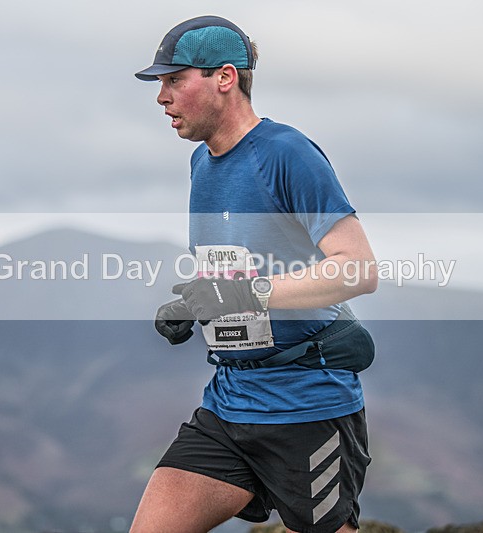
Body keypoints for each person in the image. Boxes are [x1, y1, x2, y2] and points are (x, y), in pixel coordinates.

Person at [131, 15, 378, 533]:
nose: (162, 98)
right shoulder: (203, 163)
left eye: (175, 80)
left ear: (225, 78)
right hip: (230, 401)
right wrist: (193, 306)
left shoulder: (287, 153)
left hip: (308, 405)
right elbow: (237, 272)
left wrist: (243, 294)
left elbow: (357, 270)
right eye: (160, 84)